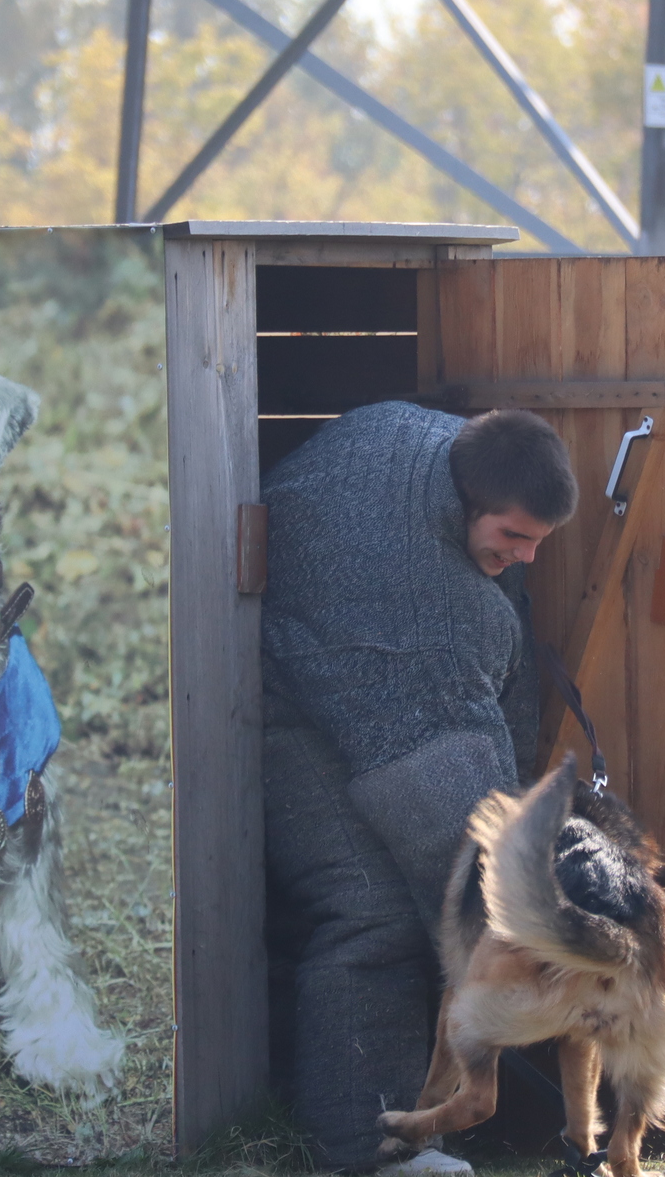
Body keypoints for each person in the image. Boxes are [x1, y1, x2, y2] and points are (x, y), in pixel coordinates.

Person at [259, 401, 579, 1173]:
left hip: (319, 656)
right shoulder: (415, 606)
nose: (528, 557)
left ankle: (400, 1133)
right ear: (469, 501)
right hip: (280, 703)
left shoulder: (460, 452)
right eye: (513, 537)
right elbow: (462, 836)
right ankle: (368, 1152)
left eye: (540, 540)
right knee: (373, 914)